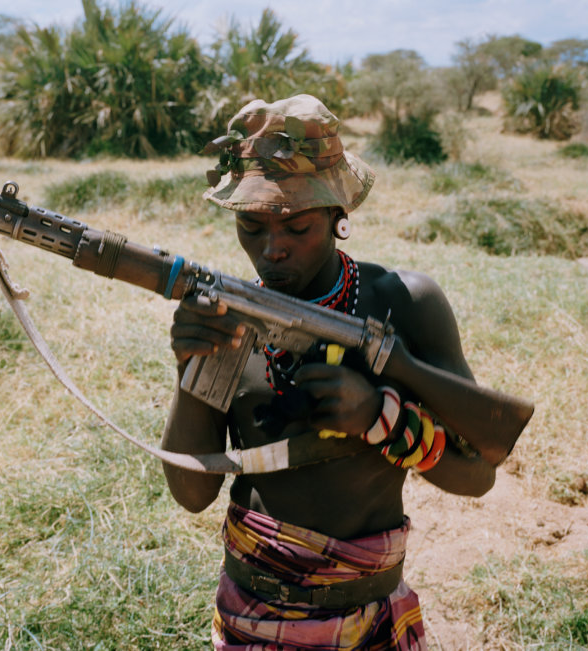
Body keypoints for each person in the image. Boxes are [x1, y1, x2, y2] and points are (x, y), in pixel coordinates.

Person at [161, 94, 497, 650]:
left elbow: (477, 474)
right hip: (254, 617)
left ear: (339, 216)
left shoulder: (404, 303)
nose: (273, 250)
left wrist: (380, 419)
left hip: (372, 617)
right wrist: (190, 370)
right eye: (251, 225)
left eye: (298, 227)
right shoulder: (229, 318)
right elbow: (192, 493)